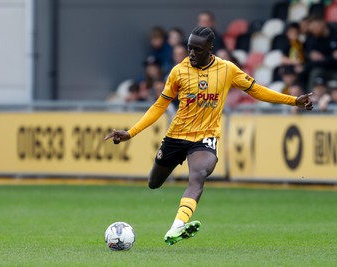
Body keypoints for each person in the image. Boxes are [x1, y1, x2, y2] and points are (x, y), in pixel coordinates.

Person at [104, 26, 313, 246]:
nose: (191, 53)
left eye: (197, 49)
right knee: (154, 182)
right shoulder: (178, 71)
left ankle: (177, 227)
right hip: (176, 136)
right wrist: (130, 132)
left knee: (199, 174)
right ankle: (176, 218)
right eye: (189, 48)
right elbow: (159, 106)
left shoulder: (226, 69)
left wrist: (293, 100)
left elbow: (257, 90)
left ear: (210, 49)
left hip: (205, 136)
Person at [303, 14, 337, 93]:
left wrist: (323, 59)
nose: (313, 31)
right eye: (312, 30)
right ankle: (311, 99)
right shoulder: (311, 39)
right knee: (314, 73)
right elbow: (313, 61)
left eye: (315, 28)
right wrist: (332, 58)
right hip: (322, 70)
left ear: (322, 23)